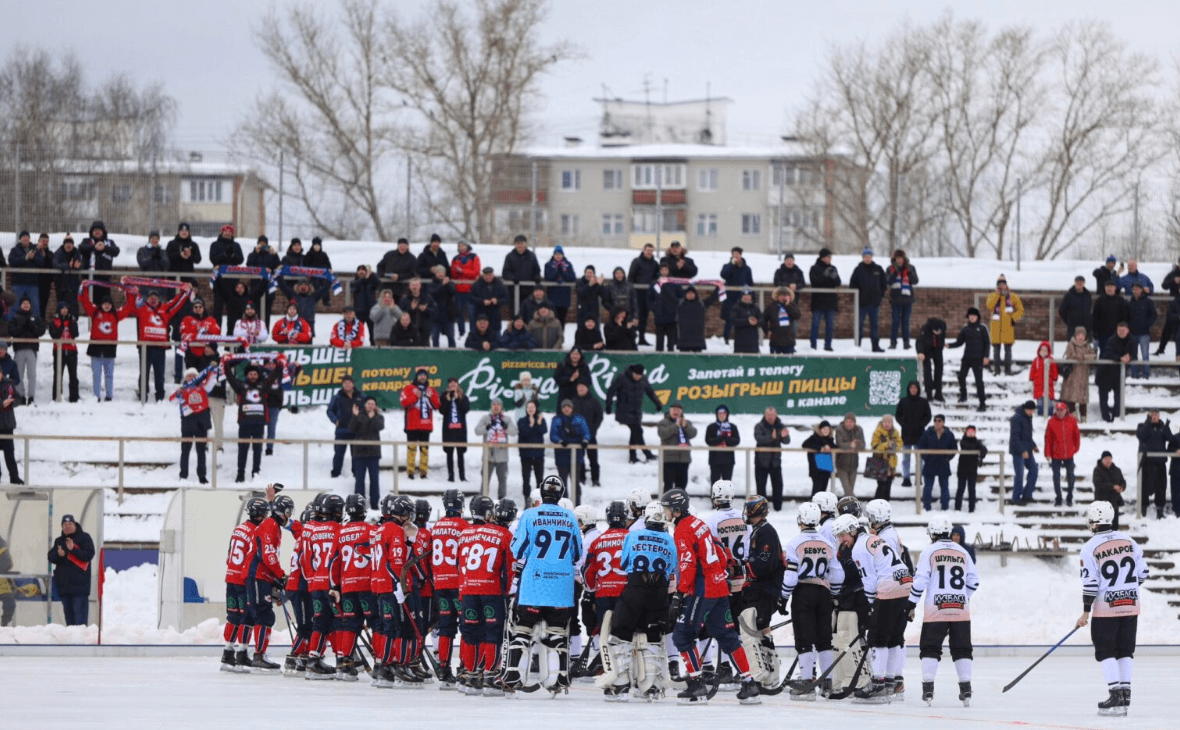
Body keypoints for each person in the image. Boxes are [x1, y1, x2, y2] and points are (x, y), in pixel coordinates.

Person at [661, 488, 760, 704]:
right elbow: (721, 553)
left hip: (703, 587)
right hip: (720, 586)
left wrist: (679, 595)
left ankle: (696, 684)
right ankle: (749, 684)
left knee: (682, 635)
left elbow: (687, 565)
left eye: (667, 509)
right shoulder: (700, 523)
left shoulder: (683, 530)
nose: (665, 513)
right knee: (727, 637)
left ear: (677, 510)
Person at [504, 477, 581, 694]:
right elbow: (577, 553)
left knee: (522, 630)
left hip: (533, 586)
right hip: (561, 588)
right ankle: (558, 679)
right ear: (560, 494)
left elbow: (518, 550)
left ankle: (513, 676)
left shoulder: (530, 515)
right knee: (557, 632)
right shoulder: (570, 516)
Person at [1076, 501, 1149, 717]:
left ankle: (1115, 694)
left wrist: (1085, 612)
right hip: (1130, 605)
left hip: (1107, 609)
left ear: (1095, 523)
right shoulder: (1130, 541)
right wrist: (1126, 590)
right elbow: (1143, 573)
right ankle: (1125, 695)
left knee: (1105, 649)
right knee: (1125, 649)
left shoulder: (1090, 547)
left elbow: (1090, 584)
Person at [835, 506, 912, 704]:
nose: (840, 540)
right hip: (904, 584)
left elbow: (869, 582)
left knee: (877, 637)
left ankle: (877, 684)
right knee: (894, 637)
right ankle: (890, 680)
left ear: (853, 530)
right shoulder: (870, 539)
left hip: (889, 587)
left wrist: (871, 605)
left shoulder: (859, 548)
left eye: (842, 535)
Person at [909, 515, 979, 707]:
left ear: (932, 533)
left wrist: (911, 603)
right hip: (960, 610)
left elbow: (921, 580)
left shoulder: (929, 551)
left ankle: (928, 688)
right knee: (962, 648)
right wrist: (962, 597)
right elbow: (974, 581)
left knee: (930, 648)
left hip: (936, 610)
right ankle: (966, 689)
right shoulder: (962, 551)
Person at [588, 501, 653, 699]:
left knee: (608, 639)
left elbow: (589, 572)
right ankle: (640, 679)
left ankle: (618, 681)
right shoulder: (633, 537)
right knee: (631, 637)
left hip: (604, 595)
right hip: (629, 593)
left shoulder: (597, 541)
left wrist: (592, 591)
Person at [783, 502, 844, 701]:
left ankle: (807, 683)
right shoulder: (828, 543)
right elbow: (837, 574)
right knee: (824, 640)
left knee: (804, 639)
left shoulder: (794, 543)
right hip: (823, 592)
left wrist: (783, 597)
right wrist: (834, 594)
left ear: (800, 519)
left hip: (803, 592)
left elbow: (791, 577)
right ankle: (828, 684)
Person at [456, 496, 517, 694]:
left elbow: (459, 565)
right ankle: (490, 676)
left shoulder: (465, 533)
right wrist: (506, 593)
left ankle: (471, 676)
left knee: (470, 634)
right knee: (493, 632)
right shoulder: (503, 534)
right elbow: (509, 569)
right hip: (491, 590)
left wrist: (462, 589)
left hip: (468, 590)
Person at [430, 489, 469, 687]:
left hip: (440, 583)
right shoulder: (464, 526)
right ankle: (463, 668)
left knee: (445, 627)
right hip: (459, 585)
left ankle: (443, 669)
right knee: (466, 627)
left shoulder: (436, 526)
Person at [224, 357, 283, 483]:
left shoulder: (263, 386)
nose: (253, 375)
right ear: (247, 375)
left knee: (257, 450)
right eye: (250, 373)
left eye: (255, 373)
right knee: (242, 451)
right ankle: (240, 473)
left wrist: (279, 364)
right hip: (244, 423)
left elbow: (273, 376)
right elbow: (230, 378)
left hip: (259, 424)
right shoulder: (241, 386)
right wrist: (227, 364)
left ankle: (256, 472)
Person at [605, 363, 662, 464]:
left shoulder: (644, 379)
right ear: (632, 372)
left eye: (639, 375)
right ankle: (643, 454)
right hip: (624, 411)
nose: (637, 377)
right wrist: (608, 405)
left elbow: (650, 392)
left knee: (635, 432)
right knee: (637, 431)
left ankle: (635, 456)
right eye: (635, 374)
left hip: (636, 412)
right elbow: (611, 390)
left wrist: (657, 403)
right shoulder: (622, 378)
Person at [172, 367, 216, 483]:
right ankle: (183, 474)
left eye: (193, 375)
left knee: (201, 450)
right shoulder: (182, 390)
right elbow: (172, 401)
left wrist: (213, 369)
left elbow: (212, 381)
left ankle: (202, 475)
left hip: (201, 421)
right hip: (188, 421)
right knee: (185, 449)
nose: (191, 377)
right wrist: (177, 393)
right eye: (188, 375)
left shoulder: (203, 386)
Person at [48, 514, 94, 626]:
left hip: (80, 588)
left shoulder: (84, 538)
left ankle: (81, 642)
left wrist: (73, 549)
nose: (67, 527)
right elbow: (50, 557)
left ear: (75, 525)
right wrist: (59, 555)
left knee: (80, 620)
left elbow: (88, 555)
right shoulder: (59, 541)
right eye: (64, 524)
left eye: (70, 524)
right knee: (69, 620)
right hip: (64, 588)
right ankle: (71, 642)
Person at [399, 367, 440, 480]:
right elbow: (403, 403)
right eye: (420, 375)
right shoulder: (408, 388)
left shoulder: (431, 390)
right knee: (411, 450)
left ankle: (423, 472)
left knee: (424, 450)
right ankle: (410, 472)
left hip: (426, 425)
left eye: (425, 375)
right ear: (416, 377)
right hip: (412, 425)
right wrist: (415, 396)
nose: (423, 377)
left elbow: (437, 406)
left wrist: (430, 397)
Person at [947, 307, 989, 412]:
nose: (972, 318)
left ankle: (982, 403)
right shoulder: (965, 328)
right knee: (961, 377)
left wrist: (986, 356)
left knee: (979, 381)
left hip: (978, 359)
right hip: (966, 358)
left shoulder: (982, 328)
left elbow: (987, 343)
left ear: (977, 317)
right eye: (970, 316)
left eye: (974, 316)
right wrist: (950, 345)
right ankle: (963, 394)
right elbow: (960, 342)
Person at [749, 406, 791, 511]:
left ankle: (778, 509)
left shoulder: (780, 426)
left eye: (772, 415)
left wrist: (784, 436)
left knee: (778, 486)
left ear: (776, 415)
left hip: (775, 461)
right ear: (765, 415)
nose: (770, 417)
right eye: (768, 415)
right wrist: (772, 437)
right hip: (761, 461)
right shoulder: (759, 426)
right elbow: (759, 439)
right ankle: (760, 509)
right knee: (761, 487)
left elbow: (787, 441)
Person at [475, 398, 517, 499]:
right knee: (485, 479)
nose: (496, 406)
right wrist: (487, 427)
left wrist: (506, 427)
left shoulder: (507, 419)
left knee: (502, 480)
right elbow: (477, 431)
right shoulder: (486, 418)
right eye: (494, 404)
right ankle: (482, 500)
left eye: (498, 404)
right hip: (488, 455)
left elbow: (514, 432)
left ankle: (502, 501)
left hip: (502, 456)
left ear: (501, 407)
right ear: (491, 406)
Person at [550, 398, 590, 500]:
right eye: (564, 407)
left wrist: (585, 440)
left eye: (568, 407)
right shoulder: (557, 420)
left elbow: (586, 432)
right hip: (561, 456)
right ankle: (564, 505)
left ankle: (577, 504)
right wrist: (560, 441)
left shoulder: (579, 419)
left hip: (576, 456)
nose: (566, 409)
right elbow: (553, 435)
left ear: (572, 408)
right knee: (562, 482)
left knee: (575, 482)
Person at [1136, 408, 1172, 519]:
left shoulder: (1163, 427)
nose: (1155, 417)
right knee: (1144, 487)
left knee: (1161, 488)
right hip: (1147, 462)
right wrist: (1148, 423)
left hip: (1160, 462)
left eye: (1156, 415)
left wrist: (1166, 427)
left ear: (1159, 416)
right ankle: (1143, 509)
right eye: (1152, 415)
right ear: (1149, 416)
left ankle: (1160, 511)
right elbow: (1141, 436)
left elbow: (1170, 438)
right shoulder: (1142, 426)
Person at [348, 396, 384, 508]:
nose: (371, 406)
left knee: (374, 480)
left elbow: (379, 427)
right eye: (369, 403)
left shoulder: (379, 417)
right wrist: (355, 416)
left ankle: (374, 503)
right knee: (359, 480)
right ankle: (359, 503)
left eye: (373, 404)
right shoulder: (358, 415)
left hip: (373, 454)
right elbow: (352, 428)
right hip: (359, 453)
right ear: (365, 405)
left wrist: (372, 418)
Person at [1097, 322, 1136, 422]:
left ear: (1128, 330)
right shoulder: (1111, 339)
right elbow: (1109, 353)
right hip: (1105, 372)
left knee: (1118, 396)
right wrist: (1120, 358)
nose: (1121, 332)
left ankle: (1116, 416)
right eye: (1119, 330)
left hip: (1119, 373)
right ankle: (1105, 417)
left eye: (1123, 330)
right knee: (1103, 396)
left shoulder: (1132, 340)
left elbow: (1134, 354)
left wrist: (1129, 357)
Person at [8, 295, 44, 405]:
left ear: (30, 306)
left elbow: (41, 330)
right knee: (19, 374)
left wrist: (32, 326)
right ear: (20, 305)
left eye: (28, 303)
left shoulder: (35, 318)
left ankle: (31, 397)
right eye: (24, 303)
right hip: (19, 349)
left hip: (31, 349)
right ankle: (21, 396)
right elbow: (11, 331)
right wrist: (22, 327)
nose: (26, 305)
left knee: (32, 374)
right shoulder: (15, 318)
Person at [917, 415, 957, 512]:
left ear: (943, 422)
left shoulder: (949, 434)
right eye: (935, 420)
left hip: (943, 464)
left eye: (939, 420)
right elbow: (921, 447)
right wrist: (927, 458)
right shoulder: (927, 433)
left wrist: (947, 458)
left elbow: (954, 449)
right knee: (928, 486)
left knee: (944, 487)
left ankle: (945, 506)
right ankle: (926, 506)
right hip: (930, 464)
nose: (937, 422)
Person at [985, 275, 1023, 375]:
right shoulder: (992, 296)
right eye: (1000, 284)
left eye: (1003, 284)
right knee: (996, 351)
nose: (1002, 286)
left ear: (1006, 285)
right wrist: (997, 295)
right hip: (996, 328)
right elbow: (989, 306)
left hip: (1008, 328)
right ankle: (997, 370)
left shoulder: (1013, 296)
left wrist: (1013, 317)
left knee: (1008, 352)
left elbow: (1020, 310)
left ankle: (1007, 370)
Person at [850, 248, 887, 352]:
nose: (867, 258)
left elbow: (884, 284)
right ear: (863, 258)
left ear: (872, 257)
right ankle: (857, 346)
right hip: (861, 304)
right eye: (865, 257)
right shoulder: (858, 269)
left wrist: (880, 296)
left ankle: (875, 346)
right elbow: (852, 285)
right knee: (859, 325)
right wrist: (856, 299)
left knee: (874, 326)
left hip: (874, 304)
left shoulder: (878, 269)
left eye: (869, 257)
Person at [1045, 401, 1081, 507]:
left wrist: (1075, 448)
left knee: (1071, 476)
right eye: (1058, 410)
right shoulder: (1051, 421)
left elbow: (1076, 435)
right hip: (1056, 454)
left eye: (1061, 410)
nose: (1060, 412)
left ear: (1066, 410)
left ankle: (1069, 497)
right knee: (1056, 477)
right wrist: (1047, 453)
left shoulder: (1072, 420)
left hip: (1069, 454)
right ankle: (1058, 497)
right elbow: (1048, 439)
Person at [894, 381, 930, 488]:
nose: (913, 390)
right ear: (909, 389)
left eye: (915, 388)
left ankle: (919, 477)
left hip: (920, 434)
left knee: (920, 458)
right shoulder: (903, 401)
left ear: (918, 389)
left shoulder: (923, 402)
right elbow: (897, 415)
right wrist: (903, 424)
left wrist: (921, 425)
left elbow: (928, 416)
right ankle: (906, 478)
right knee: (906, 457)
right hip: (906, 434)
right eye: (911, 388)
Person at [327, 375, 364, 478]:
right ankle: (336, 473)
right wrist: (336, 421)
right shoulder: (337, 397)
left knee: (356, 454)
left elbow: (367, 410)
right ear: (342, 385)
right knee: (338, 454)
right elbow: (330, 410)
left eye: (349, 383)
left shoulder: (360, 396)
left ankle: (356, 474)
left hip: (356, 431)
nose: (347, 385)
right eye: (345, 383)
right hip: (341, 431)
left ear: (353, 384)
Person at [208, 225, 244, 326]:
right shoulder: (215, 244)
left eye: (229, 231)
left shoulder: (236, 245)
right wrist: (224, 254)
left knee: (233, 310)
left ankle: (231, 334)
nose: (227, 233)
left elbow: (240, 259)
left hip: (232, 281)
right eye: (225, 231)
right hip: (219, 282)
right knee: (217, 309)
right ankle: (216, 333)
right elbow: (213, 259)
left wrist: (232, 255)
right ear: (222, 232)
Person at [656, 402, 696, 493]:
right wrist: (676, 426)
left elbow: (693, 433)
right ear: (669, 411)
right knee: (668, 486)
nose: (676, 412)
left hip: (684, 459)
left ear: (681, 412)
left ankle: (680, 506)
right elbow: (663, 434)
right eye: (674, 410)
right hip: (669, 460)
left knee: (682, 486)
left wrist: (685, 426)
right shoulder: (663, 423)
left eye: (678, 410)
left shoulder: (687, 422)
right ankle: (666, 506)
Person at [571, 381, 604, 487]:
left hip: (591, 436)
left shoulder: (593, 401)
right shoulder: (573, 401)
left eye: (583, 387)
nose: (580, 389)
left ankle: (595, 479)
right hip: (577, 437)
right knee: (579, 459)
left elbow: (599, 416)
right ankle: (581, 478)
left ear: (587, 388)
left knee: (593, 459)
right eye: (579, 387)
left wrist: (593, 430)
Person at [1062, 327, 1097, 422]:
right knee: (1071, 396)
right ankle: (1073, 416)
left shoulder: (1088, 346)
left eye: (1082, 335)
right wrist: (1084, 357)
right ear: (1075, 335)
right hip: (1072, 375)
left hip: (1083, 376)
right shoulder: (1071, 345)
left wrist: (1081, 357)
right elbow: (1071, 355)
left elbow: (1093, 357)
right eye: (1078, 335)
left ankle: (1084, 417)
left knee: (1083, 398)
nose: (1080, 337)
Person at [720, 247, 754, 343]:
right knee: (729, 319)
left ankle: (742, 339)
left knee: (743, 319)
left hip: (741, 298)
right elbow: (723, 275)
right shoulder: (727, 266)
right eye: (734, 254)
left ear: (741, 255)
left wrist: (750, 295)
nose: (736, 256)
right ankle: (726, 339)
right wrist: (731, 265)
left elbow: (750, 283)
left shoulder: (746, 269)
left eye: (738, 254)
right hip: (730, 297)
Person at [808, 248, 841, 351]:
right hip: (818, 302)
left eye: (830, 257)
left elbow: (838, 283)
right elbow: (814, 281)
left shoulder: (833, 268)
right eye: (828, 257)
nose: (830, 259)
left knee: (830, 325)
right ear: (822, 258)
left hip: (830, 302)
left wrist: (834, 276)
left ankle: (828, 345)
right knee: (815, 324)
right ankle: (813, 345)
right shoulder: (814, 268)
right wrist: (824, 275)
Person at [48, 301, 80, 402]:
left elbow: (75, 334)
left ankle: (74, 397)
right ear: (59, 310)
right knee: (58, 375)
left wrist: (71, 325)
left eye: (66, 308)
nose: (65, 310)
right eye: (63, 308)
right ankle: (56, 396)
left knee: (73, 375)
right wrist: (60, 328)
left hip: (71, 350)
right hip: (59, 350)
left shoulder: (72, 320)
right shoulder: (54, 320)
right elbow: (53, 335)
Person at [886, 249, 918, 349]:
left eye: (901, 258)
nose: (900, 260)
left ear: (904, 259)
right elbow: (888, 282)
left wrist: (909, 274)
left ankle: (906, 343)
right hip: (895, 300)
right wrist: (895, 272)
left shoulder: (910, 268)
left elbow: (915, 281)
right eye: (898, 258)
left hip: (907, 299)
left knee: (906, 322)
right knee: (895, 321)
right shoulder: (890, 269)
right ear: (894, 259)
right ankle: (893, 342)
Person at [501, 234, 541, 316]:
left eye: (522, 243)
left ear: (525, 244)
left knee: (528, 313)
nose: (520, 245)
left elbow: (537, 270)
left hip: (529, 291)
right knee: (515, 314)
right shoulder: (509, 256)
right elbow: (505, 272)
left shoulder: (531, 256)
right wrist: (513, 278)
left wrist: (536, 277)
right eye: (518, 243)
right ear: (515, 245)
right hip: (514, 291)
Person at [628, 243, 659, 344]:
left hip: (648, 294)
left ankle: (642, 338)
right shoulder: (637, 261)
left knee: (645, 316)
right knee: (636, 315)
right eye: (647, 250)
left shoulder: (655, 264)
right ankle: (632, 338)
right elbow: (631, 277)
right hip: (637, 293)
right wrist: (632, 290)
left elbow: (657, 277)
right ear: (644, 250)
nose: (649, 252)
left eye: (651, 250)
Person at [1008, 400, 1039, 506]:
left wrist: (1033, 445)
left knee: (1034, 469)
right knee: (1019, 474)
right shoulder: (1017, 418)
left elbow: (1027, 436)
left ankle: (1027, 494)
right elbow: (1015, 437)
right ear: (1025, 409)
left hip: (1028, 450)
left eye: (1032, 410)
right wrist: (1022, 451)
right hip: (1018, 451)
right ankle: (1016, 498)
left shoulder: (1028, 417)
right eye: (1029, 410)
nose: (1031, 412)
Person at [441, 377, 470, 483]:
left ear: (458, 385)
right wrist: (448, 401)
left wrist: (458, 399)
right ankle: (451, 475)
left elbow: (466, 409)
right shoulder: (444, 396)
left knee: (460, 454)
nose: (453, 385)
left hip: (460, 430)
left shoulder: (463, 396)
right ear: (448, 386)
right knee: (449, 453)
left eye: (455, 383)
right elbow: (442, 411)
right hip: (448, 431)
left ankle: (462, 476)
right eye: (451, 384)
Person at [676, 284, 720, 353]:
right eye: (688, 293)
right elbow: (669, 297)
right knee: (683, 361)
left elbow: (713, 297)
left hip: (697, 339)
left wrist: (719, 287)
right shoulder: (680, 304)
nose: (690, 295)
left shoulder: (701, 304)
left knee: (697, 362)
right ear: (686, 294)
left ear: (695, 294)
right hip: (684, 339)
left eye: (692, 293)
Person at [648, 263, 681, 352]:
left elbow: (681, 296)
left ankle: (670, 359)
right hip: (659, 315)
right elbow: (649, 298)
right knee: (659, 340)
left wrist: (676, 307)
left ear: (668, 271)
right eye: (662, 270)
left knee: (671, 341)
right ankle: (659, 358)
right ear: (660, 271)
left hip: (671, 315)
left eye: (666, 270)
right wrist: (654, 308)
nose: (664, 271)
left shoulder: (674, 283)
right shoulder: (655, 284)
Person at [517, 399, 546, 499]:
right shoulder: (521, 421)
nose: (530, 409)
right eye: (528, 407)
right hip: (526, 455)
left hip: (538, 455)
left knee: (539, 479)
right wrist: (531, 425)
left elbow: (544, 431)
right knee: (526, 479)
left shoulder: (541, 420)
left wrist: (537, 423)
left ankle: (539, 500)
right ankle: (527, 500)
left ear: (536, 408)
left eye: (532, 407)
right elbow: (524, 434)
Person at [704, 404, 740, 484]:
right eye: (719, 414)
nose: (721, 415)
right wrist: (720, 438)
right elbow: (708, 440)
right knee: (715, 483)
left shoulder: (732, 427)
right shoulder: (711, 427)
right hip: (715, 460)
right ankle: (715, 497)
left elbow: (736, 441)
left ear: (727, 414)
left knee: (727, 484)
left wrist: (726, 438)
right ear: (716, 415)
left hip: (728, 460)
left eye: (724, 413)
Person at [869, 414, 902, 500]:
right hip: (880, 463)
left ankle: (886, 505)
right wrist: (887, 444)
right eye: (885, 422)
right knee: (881, 485)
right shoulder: (877, 432)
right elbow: (875, 447)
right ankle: (877, 504)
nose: (887, 424)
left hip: (891, 464)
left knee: (888, 485)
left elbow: (899, 444)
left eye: (889, 422)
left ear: (892, 423)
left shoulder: (895, 432)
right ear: (882, 422)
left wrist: (894, 445)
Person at [955, 425, 988, 512]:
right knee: (960, 489)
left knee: (972, 490)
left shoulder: (977, 442)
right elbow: (966, 446)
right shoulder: (963, 441)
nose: (971, 434)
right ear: (965, 432)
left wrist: (981, 455)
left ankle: (971, 508)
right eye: (969, 432)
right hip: (962, 468)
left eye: (972, 432)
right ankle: (957, 508)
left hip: (972, 469)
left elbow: (984, 450)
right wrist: (977, 447)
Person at [914, 317, 947, 403]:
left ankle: (938, 393)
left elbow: (942, 337)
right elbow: (919, 342)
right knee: (927, 371)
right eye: (936, 332)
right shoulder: (925, 329)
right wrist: (920, 352)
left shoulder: (943, 327)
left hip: (937, 350)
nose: (938, 333)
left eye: (940, 332)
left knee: (939, 371)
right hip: (926, 350)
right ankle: (929, 393)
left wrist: (941, 346)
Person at [1126, 283, 1155, 378]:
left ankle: (1146, 374)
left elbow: (1153, 315)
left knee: (1145, 355)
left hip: (1144, 333)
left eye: (1138, 289)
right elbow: (1126, 317)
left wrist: (1147, 325)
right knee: (1133, 354)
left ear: (1142, 290)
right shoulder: (1130, 303)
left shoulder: (1148, 302)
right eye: (1134, 289)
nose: (1136, 291)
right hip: (1132, 333)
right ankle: (1134, 374)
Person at [1092, 451, 1127, 530]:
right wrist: (1113, 487)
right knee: (1103, 529)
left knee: (1114, 529)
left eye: (1109, 459)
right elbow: (1098, 484)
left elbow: (1123, 481)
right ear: (1102, 460)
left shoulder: (1117, 470)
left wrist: (1122, 487)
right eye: (1106, 459)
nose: (1108, 461)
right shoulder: (1097, 470)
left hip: (1114, 503)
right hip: (1101, 504)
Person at [833, 412, 865, 497]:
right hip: (841, 464)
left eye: (851, 422)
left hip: (854, 465)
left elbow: (863, 445)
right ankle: (853, 505)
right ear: (844, 422)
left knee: (850, 490)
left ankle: (846, 507)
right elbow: (840, 444)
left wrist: (857, 444)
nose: (849, 424)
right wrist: (850, 445)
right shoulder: (839, 429)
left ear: (854, 422)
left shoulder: (859, 430)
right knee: (848, 491)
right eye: (847, 421)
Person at [544, 245, 576, 325]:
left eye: (560, 254)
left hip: (564, 298)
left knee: (562, 321)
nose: (558, 256)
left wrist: (563, 271)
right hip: (552, 298)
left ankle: (561, 337)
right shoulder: (548, 265)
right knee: (552, 321)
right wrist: (556, 270)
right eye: (556, 254)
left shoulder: (568, 265)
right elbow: (548, 277)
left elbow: (572, 278)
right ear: (553, 255)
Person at [399, 277, 437, 345]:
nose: (414, 287)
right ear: (409, 286)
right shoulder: (404, 299)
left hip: (425, 330)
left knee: (425, 352)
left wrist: (426, 309)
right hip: (409, 331)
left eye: (416, 285)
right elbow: (400, 315)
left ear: (420, 286)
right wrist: (411, 309)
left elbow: (435, 312)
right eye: (413, 285)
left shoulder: (428, 297)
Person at [802, 420, 836, 495]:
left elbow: (835, 447)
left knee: (823, 489)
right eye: (824, 429)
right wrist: (820, 448)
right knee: (817, 488)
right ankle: (813, 505)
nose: (826, 431)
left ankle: (821, 505)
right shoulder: (814, 437)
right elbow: (804, 444)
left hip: (826, 467)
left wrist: (831, 447)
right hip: (816, 468)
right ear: (820, 430)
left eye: (827, 429)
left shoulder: (830, 439)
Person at [1092, 279, 1130, 347]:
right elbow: (1095, 317)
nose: (1109, 289)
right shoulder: (1099, 301)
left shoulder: (1120, 300)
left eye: (1111, 287)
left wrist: (1124, 330)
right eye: (1107, 287)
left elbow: (1125, 317)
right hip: (1102, 333)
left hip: (1117, 333)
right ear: (1105, 288)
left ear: (1115, 288)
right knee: (1103, 354)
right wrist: (1095, 331)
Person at [471, 267, 509, 332]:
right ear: (483, 275)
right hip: (481, 314)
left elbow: (506, 298)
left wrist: (497, 301)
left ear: (493, 275)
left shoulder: (499, 284)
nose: (488, 277)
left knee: (496, 336)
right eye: (486, 275)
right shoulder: (476, 284)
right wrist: (482, 301)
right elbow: (471, 298)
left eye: (490, 275)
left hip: (495, 314)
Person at [763, 287, 801, 354]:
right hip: (775, 340)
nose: (782, 297)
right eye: (780, 295)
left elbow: (797, 316)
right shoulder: (771, 306)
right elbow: (763, 319)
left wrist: (788, 305)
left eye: (784, 295)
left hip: (789, 341)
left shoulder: (792, 305)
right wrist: (766, 331)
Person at [428, 265, 459, 347]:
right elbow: (432, 294)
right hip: (436, 316)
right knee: (435, 337)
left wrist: (447, 284)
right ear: (435, 273)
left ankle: (452, 355)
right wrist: (442, 285)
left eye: (442, 272)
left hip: (448, 316)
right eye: (438, 272)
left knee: (451, 337)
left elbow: (453, 292)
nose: (440, 274)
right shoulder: (431, 284)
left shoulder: (450, 283)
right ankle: (435, 355)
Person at [52, 234, 83, 312]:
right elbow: (55, 264)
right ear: (64, 244)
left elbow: (81, 262)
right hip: (61, 284)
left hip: (73, 284)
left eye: (70, 243)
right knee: (61, 306)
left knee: (73, 307)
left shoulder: (76, 252)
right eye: (67, 243)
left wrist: (79, 265)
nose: (68, 245)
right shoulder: (59, 252)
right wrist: (68, 266)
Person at [0, 373, 21, 484]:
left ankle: (14, 477)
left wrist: (11, 403)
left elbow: (17, 398)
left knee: (9, 453)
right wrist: (2, 403)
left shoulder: (8, 383)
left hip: (7, 424)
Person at [166, 223, 202, 287]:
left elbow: (198, 259)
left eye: (186, 231)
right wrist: (179, 255)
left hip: (188, 278)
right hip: (173, 278)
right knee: (173, 296)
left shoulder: (193, 245)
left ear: (189, 232)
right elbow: (167, 257)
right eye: (182, 231)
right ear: (179, 232)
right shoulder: (171, 243)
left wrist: (190, 255)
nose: (184, 232)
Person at [351, 266, 380, 345]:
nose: (361, 272)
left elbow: (378, 283)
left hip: (371, 312)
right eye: (360, 270)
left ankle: (374, 349)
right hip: (359, 312)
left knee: (373, 333)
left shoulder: (371, 282)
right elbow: (354, 287)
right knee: (358, 333)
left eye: (363, 270)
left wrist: (372, 274)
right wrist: (365, 279)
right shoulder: (354, 282)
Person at [729, 288, 764, 354]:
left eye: (748, 296)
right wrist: (747, 321)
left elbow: (762, 320)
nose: (746, 297)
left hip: (753, 343)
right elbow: (733, 321)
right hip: (740, 343)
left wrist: (756, 322)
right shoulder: (736, 307)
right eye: (745, 295)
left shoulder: (755, 308)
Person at [1029, 340, 1059, 415]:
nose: (1043, 351)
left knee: (1049, 401)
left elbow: (1054, 371)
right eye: (1042, 350)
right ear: (1039, 350)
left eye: (1045, 350)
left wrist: (1055, 379)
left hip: (1049, 384)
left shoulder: (1051, 360)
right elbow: (1032, 371)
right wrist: (1031, 380)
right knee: (1040, 402)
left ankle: (1049, 415)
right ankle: (1040, 415)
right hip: (1038, 385)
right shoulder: (1036, 361)